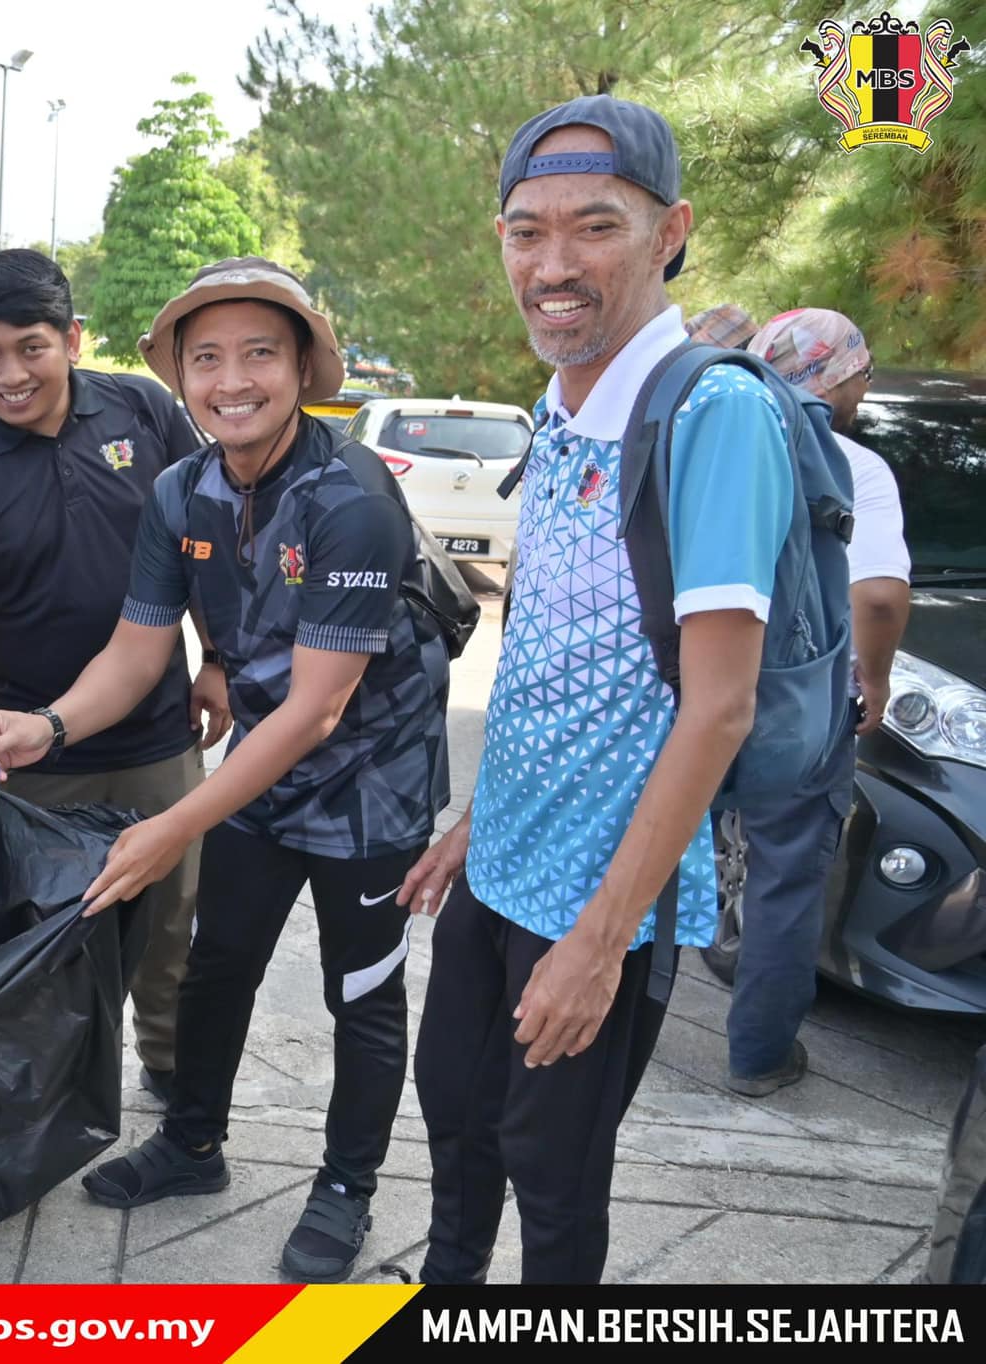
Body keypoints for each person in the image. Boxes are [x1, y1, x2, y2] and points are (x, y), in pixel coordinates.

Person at [0, 258, 452, 1282]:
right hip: (263, 771)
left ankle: (345, 1185)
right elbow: (138, 647)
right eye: (206, 359)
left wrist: (174, 820)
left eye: (258, 355)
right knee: (215, 962)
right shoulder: (178, 487)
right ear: (178, 377)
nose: (230, 380)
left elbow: (322, 705)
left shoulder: (352, 493)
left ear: (299, 367)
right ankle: (191, 1141)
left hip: (373, 786)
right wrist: (46, 727)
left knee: (359, 989)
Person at [399, 95, 796, 1285]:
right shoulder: (559, 407)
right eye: (524, 231)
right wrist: (477, 817)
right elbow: (546, 655)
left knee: (552, 1172)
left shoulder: (711, 412)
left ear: (668, 230)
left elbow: (718, 704)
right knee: (456, 1113)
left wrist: (599, 939)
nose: (551, 265)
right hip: (508, 857)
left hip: (601, 896)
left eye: (594, 227)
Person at [0, 249, 226, 1104]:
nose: (10, 374)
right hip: (35, 758)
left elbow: (199, 545)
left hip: (158, 740)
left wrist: (219, 659)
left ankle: (171, 1081)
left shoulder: (145, 410)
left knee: (169, 934)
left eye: (31, 347)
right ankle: (44, 1102)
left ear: (73, 341)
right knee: (45, 940)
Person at [720, 307, 908, 1095]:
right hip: (798, 699)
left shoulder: (720, 439)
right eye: (861, 374)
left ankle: (610, 1025)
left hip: (695, 681)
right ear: (835, 377)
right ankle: (759, 1056)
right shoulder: (851, 462)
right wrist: (875, 676)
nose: (863, 391)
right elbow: (878, 596)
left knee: (661, 845)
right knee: (787, 875)